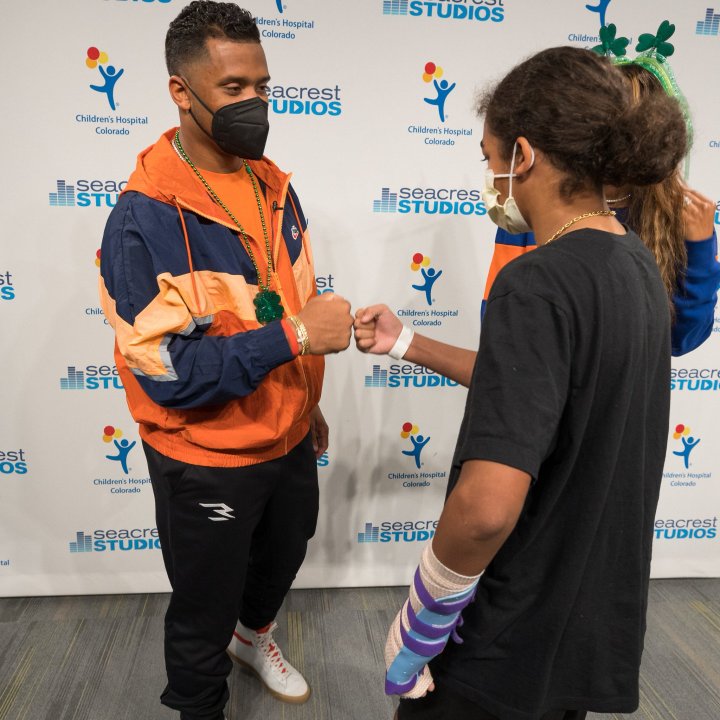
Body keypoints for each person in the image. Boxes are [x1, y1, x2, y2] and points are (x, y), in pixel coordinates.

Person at [363, 45, 687, 719]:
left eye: (491, 159)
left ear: (525, 154)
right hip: (576, 632)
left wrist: (424, 613)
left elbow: (485, 508)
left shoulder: (536, 281)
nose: (491, 179)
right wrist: (409, 343)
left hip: (499, 640)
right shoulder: (635, 270)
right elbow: (544, 394)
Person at [99, 3, 353, 719]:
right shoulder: (141, 219)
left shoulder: (273, 183)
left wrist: (306, 391)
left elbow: (274, 300)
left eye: (263, 86)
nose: (255, 104)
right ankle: (200, 705)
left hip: (289, 429)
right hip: (205, 453)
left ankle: (255, 637)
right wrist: (297, 342)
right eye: (234, 88)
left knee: (281, 558)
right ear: (182, 91)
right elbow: (167, 373)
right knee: (201, 610)